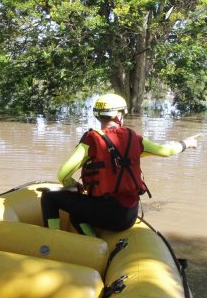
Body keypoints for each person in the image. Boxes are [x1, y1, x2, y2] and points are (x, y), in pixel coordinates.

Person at [41, 93, 198, 235]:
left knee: (49, 197)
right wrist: (186, 143)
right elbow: (165, 151)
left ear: (98, 115)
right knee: (78, 212)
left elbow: (63, 175)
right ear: (118, 115)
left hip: (108, 214)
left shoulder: (91, 141)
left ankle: (54, 240)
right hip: (129, 215)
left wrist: (74, 184)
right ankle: (95, 245)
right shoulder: (134, 139)